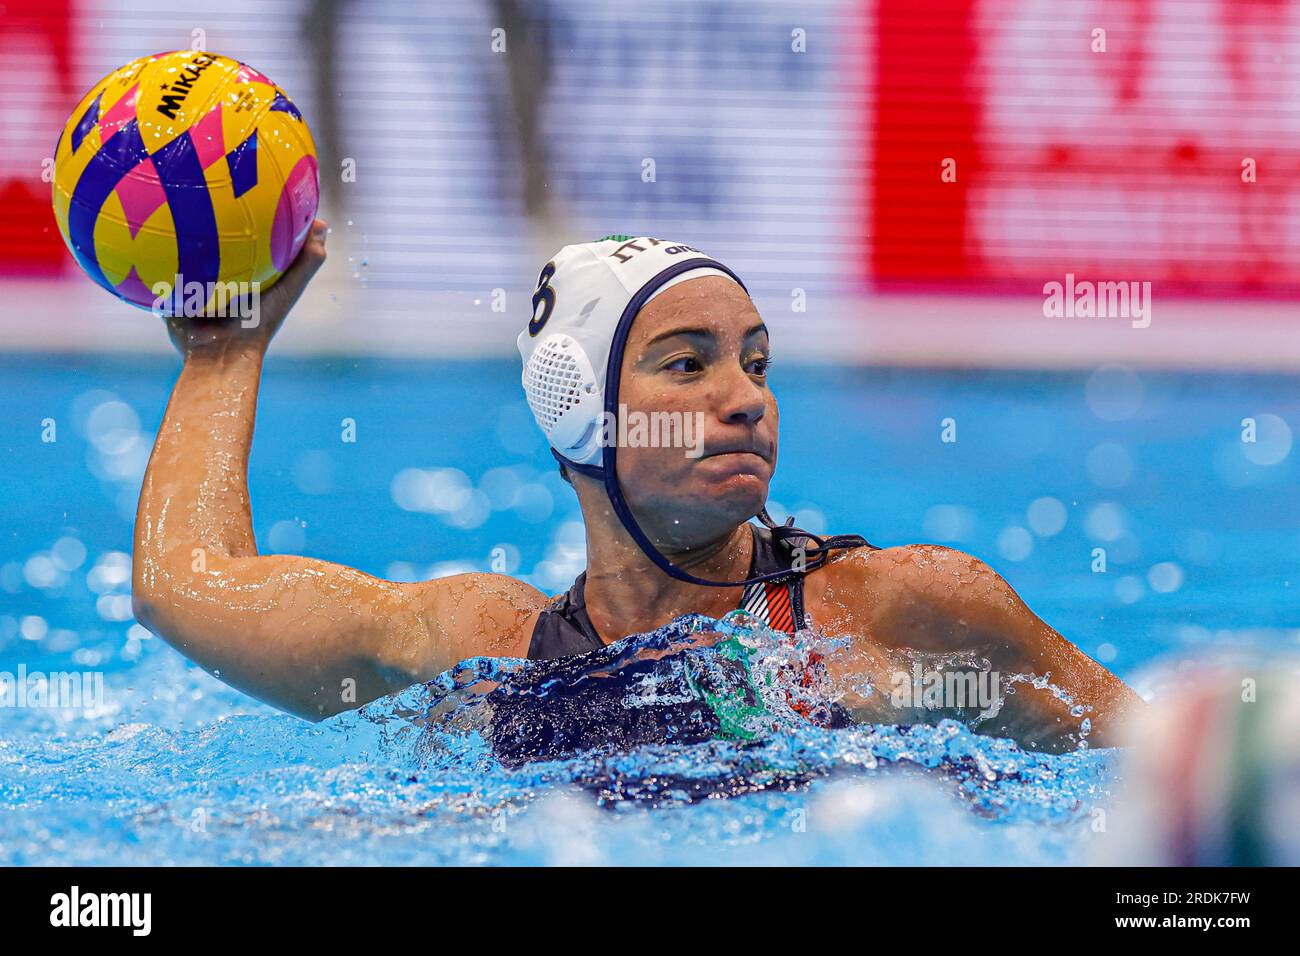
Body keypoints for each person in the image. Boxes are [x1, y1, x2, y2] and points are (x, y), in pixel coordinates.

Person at [132, 224, 1141, 749]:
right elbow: (187, 581)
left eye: (756, 360)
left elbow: (1165, 759)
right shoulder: (484, 644)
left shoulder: (903, 605)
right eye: (688, 362)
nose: (745, 397)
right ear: (577, 404)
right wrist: (226, 350)